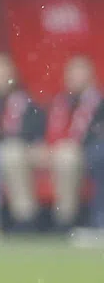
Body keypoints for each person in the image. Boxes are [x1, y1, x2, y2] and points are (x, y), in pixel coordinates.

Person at [0, 53, 45, 231]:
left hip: (20, 154)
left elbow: (29, 135)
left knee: (9, 151)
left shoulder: (25, 101)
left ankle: (24, 218)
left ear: (12, 75)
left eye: (1, 73)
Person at [41, 55, 103, 231]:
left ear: (90, 76)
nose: (73, 78)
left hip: (83, 154)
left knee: (66, 155)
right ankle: (24, 217)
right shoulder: (60, 101)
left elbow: (92, 137)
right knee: (12, 152)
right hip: (54, 149)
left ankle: (65, 220)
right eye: (71, 73)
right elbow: (45, 129)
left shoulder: (99, 103)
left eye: (79, 73)